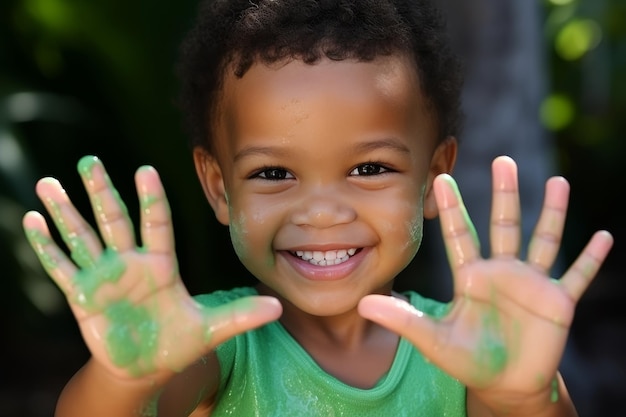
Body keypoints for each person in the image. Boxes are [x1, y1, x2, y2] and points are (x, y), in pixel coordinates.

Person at [22, 0, 613, 416]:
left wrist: (525, 399)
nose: (324, 212)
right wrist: (126, 378)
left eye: (369, 168)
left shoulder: (467, 350)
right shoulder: (215, 346)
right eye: (274, 173)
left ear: (435, 175)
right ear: (219, 188)